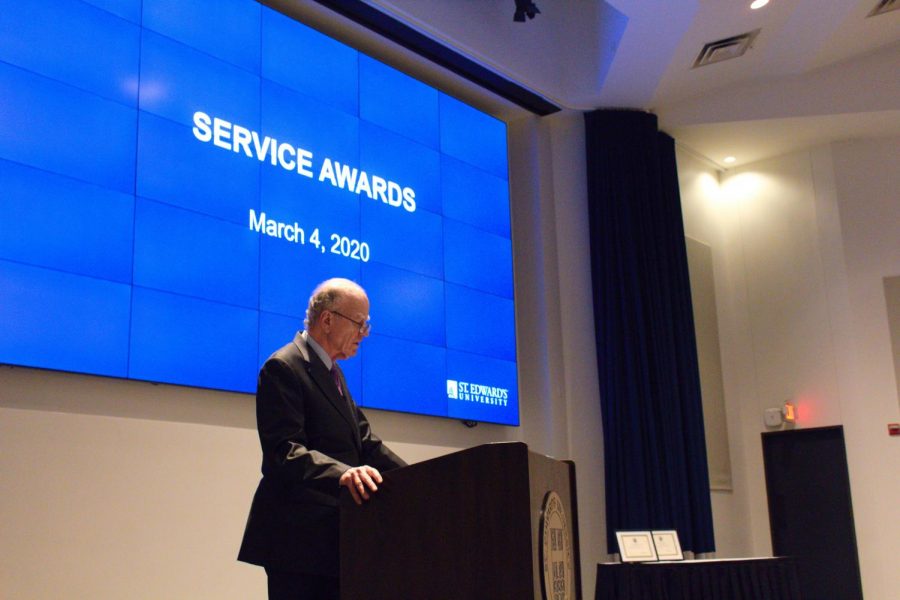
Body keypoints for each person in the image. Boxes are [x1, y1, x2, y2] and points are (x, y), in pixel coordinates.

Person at [238, 278, 407, 600]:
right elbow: (283, 452)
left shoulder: (332, 372)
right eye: (360, 323)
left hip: (333, 539)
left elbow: (366, 443)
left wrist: (420, 479)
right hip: (297, 541)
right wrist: (343, 473)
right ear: (328, 319)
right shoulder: (284, 366)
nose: (365, 333)